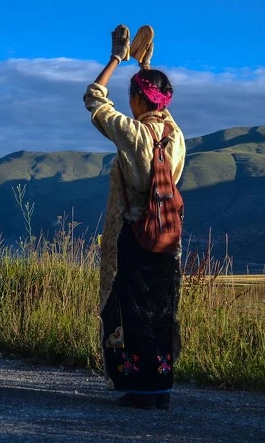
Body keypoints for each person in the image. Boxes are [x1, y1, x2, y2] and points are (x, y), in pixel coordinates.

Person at [83, 25, 186, 410]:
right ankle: (160, 389)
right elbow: (161, 108)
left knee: (131, 310)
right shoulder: (176, 136)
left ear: (137, 99)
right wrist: (145, 67)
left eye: (132, 95)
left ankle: (139, 389)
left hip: (135, 233)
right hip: (168, 236)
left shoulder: (133, 134)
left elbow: (94, 99)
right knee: (162, 311)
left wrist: (116, 58)